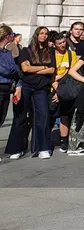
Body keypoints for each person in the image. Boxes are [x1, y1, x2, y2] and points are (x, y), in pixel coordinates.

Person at [5, 26, 56, 160]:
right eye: (41, 33)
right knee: (20, 117)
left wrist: (35, 69)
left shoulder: (50, 51)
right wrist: (43, 67)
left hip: (41, 89)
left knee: (43, 117)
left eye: (46, 34)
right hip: (26, 86)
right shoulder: (26, 51)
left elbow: (52, 70)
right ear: (36, 35)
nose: (44, 36)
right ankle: (16, 149)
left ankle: (43, 148)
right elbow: (25, 68)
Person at [51, 31, 78, 153]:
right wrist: (57, 89)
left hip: (66, 88)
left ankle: (64, 141)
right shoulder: (51, 55)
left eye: (64, 42)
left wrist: (60, 89)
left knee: (65, 115)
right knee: (50, 115)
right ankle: (47, 139)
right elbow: (51, 75)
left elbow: (72, 72)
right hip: (53, 88)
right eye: (59, 43)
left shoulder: (71, 54)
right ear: (54, 45)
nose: (63, 45)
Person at [0, 24, 19, 129]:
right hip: (1, 85)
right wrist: (11, 70)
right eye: (12, 34)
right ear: (6, 36)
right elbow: (3, 70)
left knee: (2, 116)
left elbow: (14, 68)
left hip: (7, 88)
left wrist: (12, 70)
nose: (13, 36)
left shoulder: (7, 52)